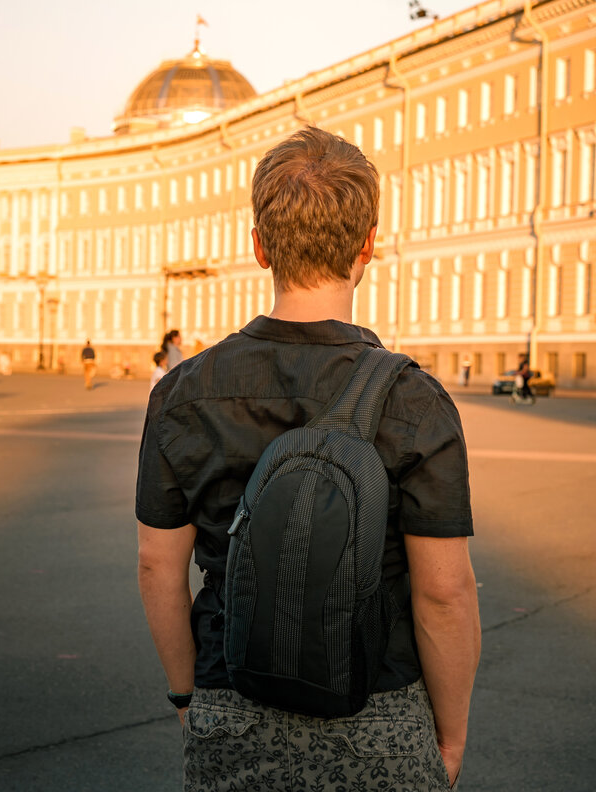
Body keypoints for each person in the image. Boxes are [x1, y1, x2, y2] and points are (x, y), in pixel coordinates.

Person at [136, 127, 480, 792]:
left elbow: (158, 567)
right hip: (378, 708)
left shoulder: (182, 392)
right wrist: (451, 733)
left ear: (259, 245)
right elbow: (444, 594)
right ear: (368, 246)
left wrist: (189, 698)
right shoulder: (415, 399)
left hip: (230, 700)